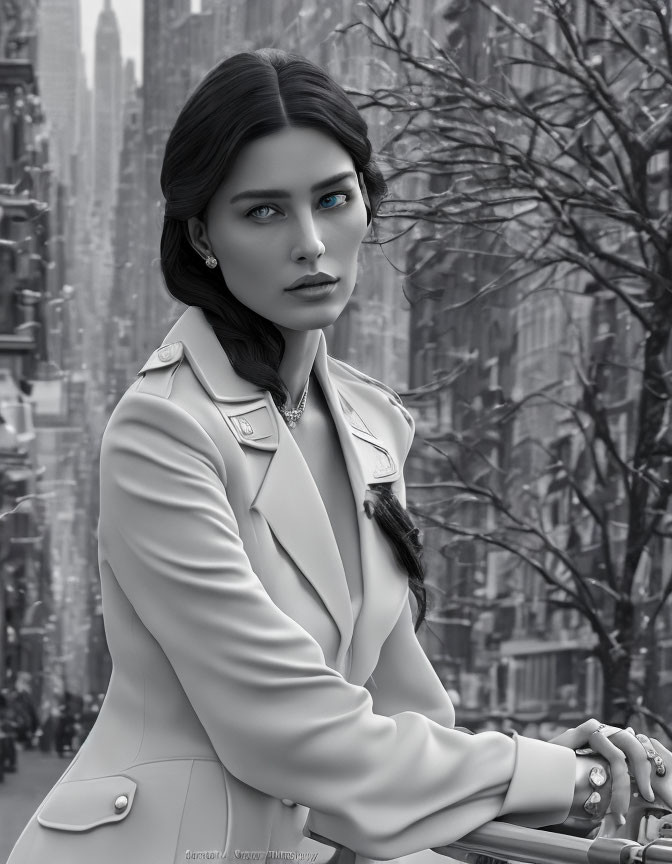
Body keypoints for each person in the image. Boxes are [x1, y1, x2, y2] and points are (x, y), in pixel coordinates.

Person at [7, 48, 672, 864]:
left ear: (368, 202)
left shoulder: (373, 423)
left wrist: (554, 766)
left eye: (333, 198)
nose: (312, 243)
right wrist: (565, 781)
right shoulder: (161, 432)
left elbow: (402, 720)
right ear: (201, 236)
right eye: (263, 212)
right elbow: (289, 731)